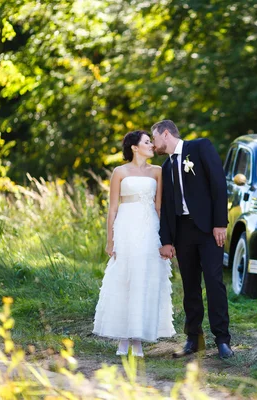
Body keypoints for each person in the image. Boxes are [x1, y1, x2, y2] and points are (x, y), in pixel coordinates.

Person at [152, 120, 234, 359]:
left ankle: (222, 340)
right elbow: (166, 207)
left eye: (154, 138)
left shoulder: (199, 148)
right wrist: (166, 240)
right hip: (183, 232)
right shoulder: (166, 168)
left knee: (214, 281)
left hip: (209, 229)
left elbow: (219, 184)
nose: (154, 143)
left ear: (165, 134)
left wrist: (221, 223)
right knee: (190, 286)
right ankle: (194, 339)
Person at [93, 130, 175, 357]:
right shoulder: (119, 172)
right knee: (125, 277)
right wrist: (110, 239)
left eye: (151, 141)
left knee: (145, 278)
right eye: (147, 142)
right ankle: (123, 337)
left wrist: (165, 238)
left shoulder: (158, 171)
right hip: (126, 227)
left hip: (149, 228)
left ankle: (138, 338)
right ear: (134, 147)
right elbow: (112, 208)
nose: (151, 145)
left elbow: (160, 207)